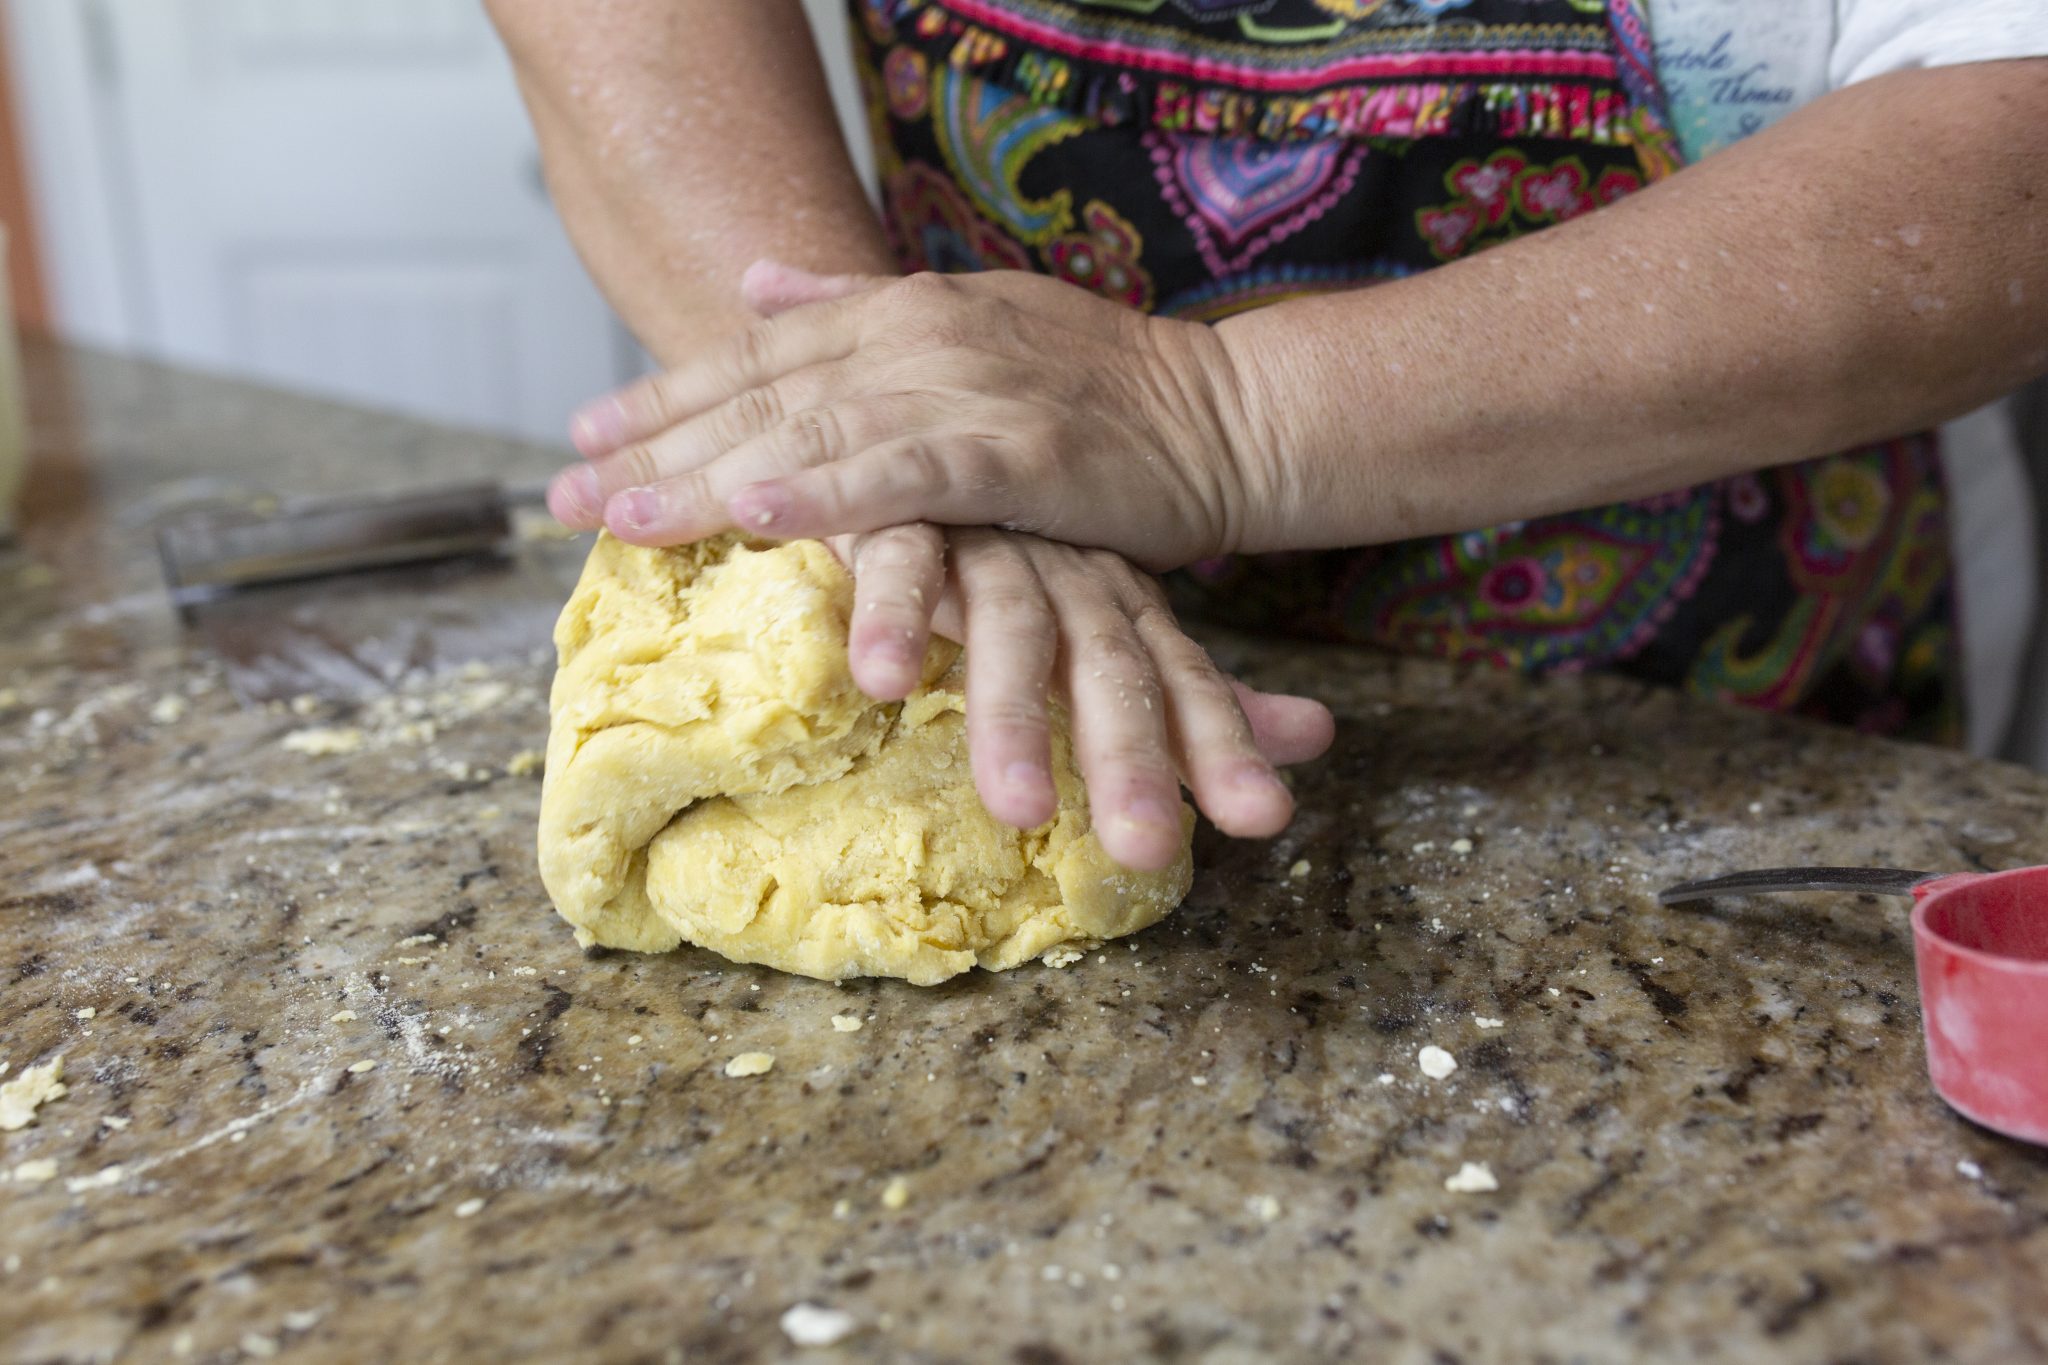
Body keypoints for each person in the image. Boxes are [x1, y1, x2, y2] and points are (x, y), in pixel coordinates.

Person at [487, 0, 2048, 870]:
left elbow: (2010, 135)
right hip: (989, 646)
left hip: (1735, 725)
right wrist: (878, 433)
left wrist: (1226, 416)